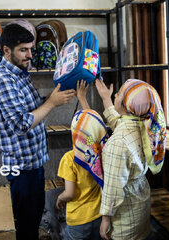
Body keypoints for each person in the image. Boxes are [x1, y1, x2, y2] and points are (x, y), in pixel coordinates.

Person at [0, 24, 76, 240]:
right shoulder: (3, 80)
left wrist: (54, 98)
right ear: (7, 51)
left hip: (32, 163)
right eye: (23, 50)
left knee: (32, 219)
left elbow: (32, 108)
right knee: (25, 226)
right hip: (22, 167)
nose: (30, 55)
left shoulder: (20, 74)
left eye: (31, 49)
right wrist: (52, 103)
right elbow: (20, 124)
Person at [95, 78, 167, 240]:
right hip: (140, 203)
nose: (116, 96)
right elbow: (117, 121)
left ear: (129, 105)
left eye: (119, 94)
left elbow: (113, 186)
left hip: (125, 215)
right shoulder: (142, 125)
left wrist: (105, 218)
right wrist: (106, 98)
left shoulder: (119, 142)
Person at [56, 80, 107, 240]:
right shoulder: (101, 154)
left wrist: (60, 197)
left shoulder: (69, 159)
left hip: (78, 220)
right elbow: (91, 126)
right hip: (98, 216)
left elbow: (69, 194)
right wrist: (83, 98)